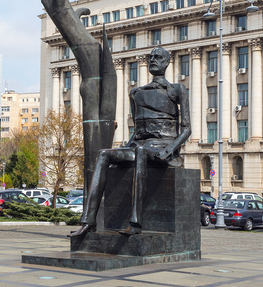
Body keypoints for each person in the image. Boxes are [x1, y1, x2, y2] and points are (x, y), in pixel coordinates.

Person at [70, 46, 191, 237]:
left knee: (141, 152)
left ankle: (135, 223)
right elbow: (137, 130)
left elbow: (186, 129)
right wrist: (125, 148)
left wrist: (169, 150)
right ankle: (88, 222)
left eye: (158, 57)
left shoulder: (177, 89)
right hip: (140, 145)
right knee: (104, 154)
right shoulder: (136, 93)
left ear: (167, 62)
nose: (153, 60)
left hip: (163, 149)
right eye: (151, 57)